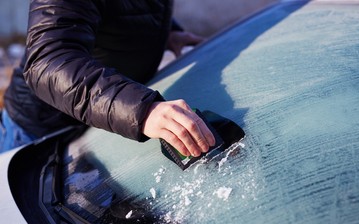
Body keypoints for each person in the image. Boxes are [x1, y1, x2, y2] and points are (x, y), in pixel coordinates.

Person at [0, 0, 215, 156]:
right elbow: (47, 62)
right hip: (38, 135)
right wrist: (142, 110)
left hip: (99, 127)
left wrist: (167, 33)